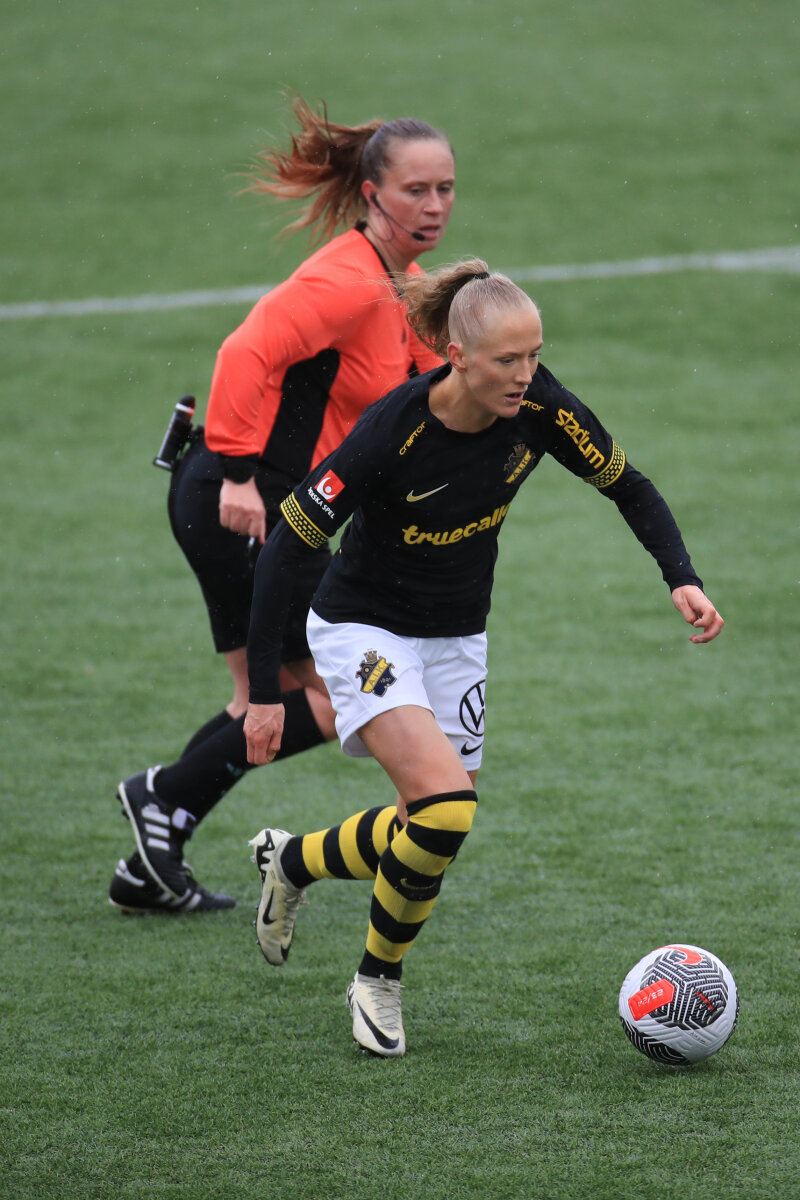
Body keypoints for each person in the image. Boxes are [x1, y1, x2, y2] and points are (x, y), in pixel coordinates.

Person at [242, 259, 724, 1057]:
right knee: (447, 808)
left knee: (426, 826)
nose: (525, 374)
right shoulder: (392, 430)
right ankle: (376, 981)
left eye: (534, 355)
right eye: (507, 359)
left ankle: (292, 860)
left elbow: (628, 485)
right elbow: (291, 540)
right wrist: (264, 691)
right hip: (363, 628)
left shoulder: (541, 409)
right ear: (457, 356)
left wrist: (683, 577)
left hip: (458, 634)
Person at [109, 96, 456, 914]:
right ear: (372, 194)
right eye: (415, 190)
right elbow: (246, 350)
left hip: (253, 503)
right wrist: (237, 474)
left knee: (261, 698)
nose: (434, 205)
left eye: (445, 188)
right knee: (326, 698)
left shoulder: (399, 284)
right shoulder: (347, 282)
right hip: (242, 503)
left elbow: (423, 387)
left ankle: (151, 855)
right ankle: (161, 797)